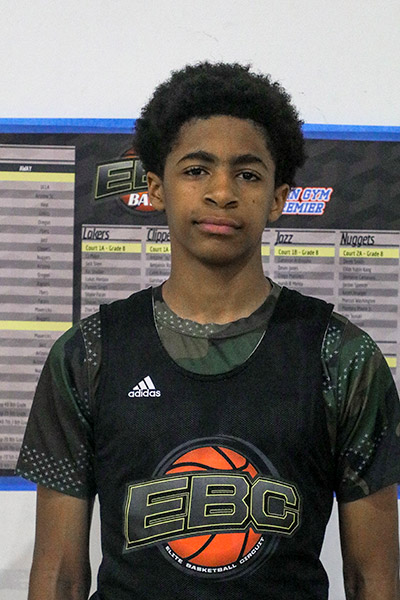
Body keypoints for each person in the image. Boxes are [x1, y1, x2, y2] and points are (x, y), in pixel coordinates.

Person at [17, 62, 400, 600]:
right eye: (197, 170)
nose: (222, 192)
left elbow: (373, 578)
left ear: (278, 198)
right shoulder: (88, 353)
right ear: (156, 187)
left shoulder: (342, 356)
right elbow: (59, 576)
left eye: (248, 174)